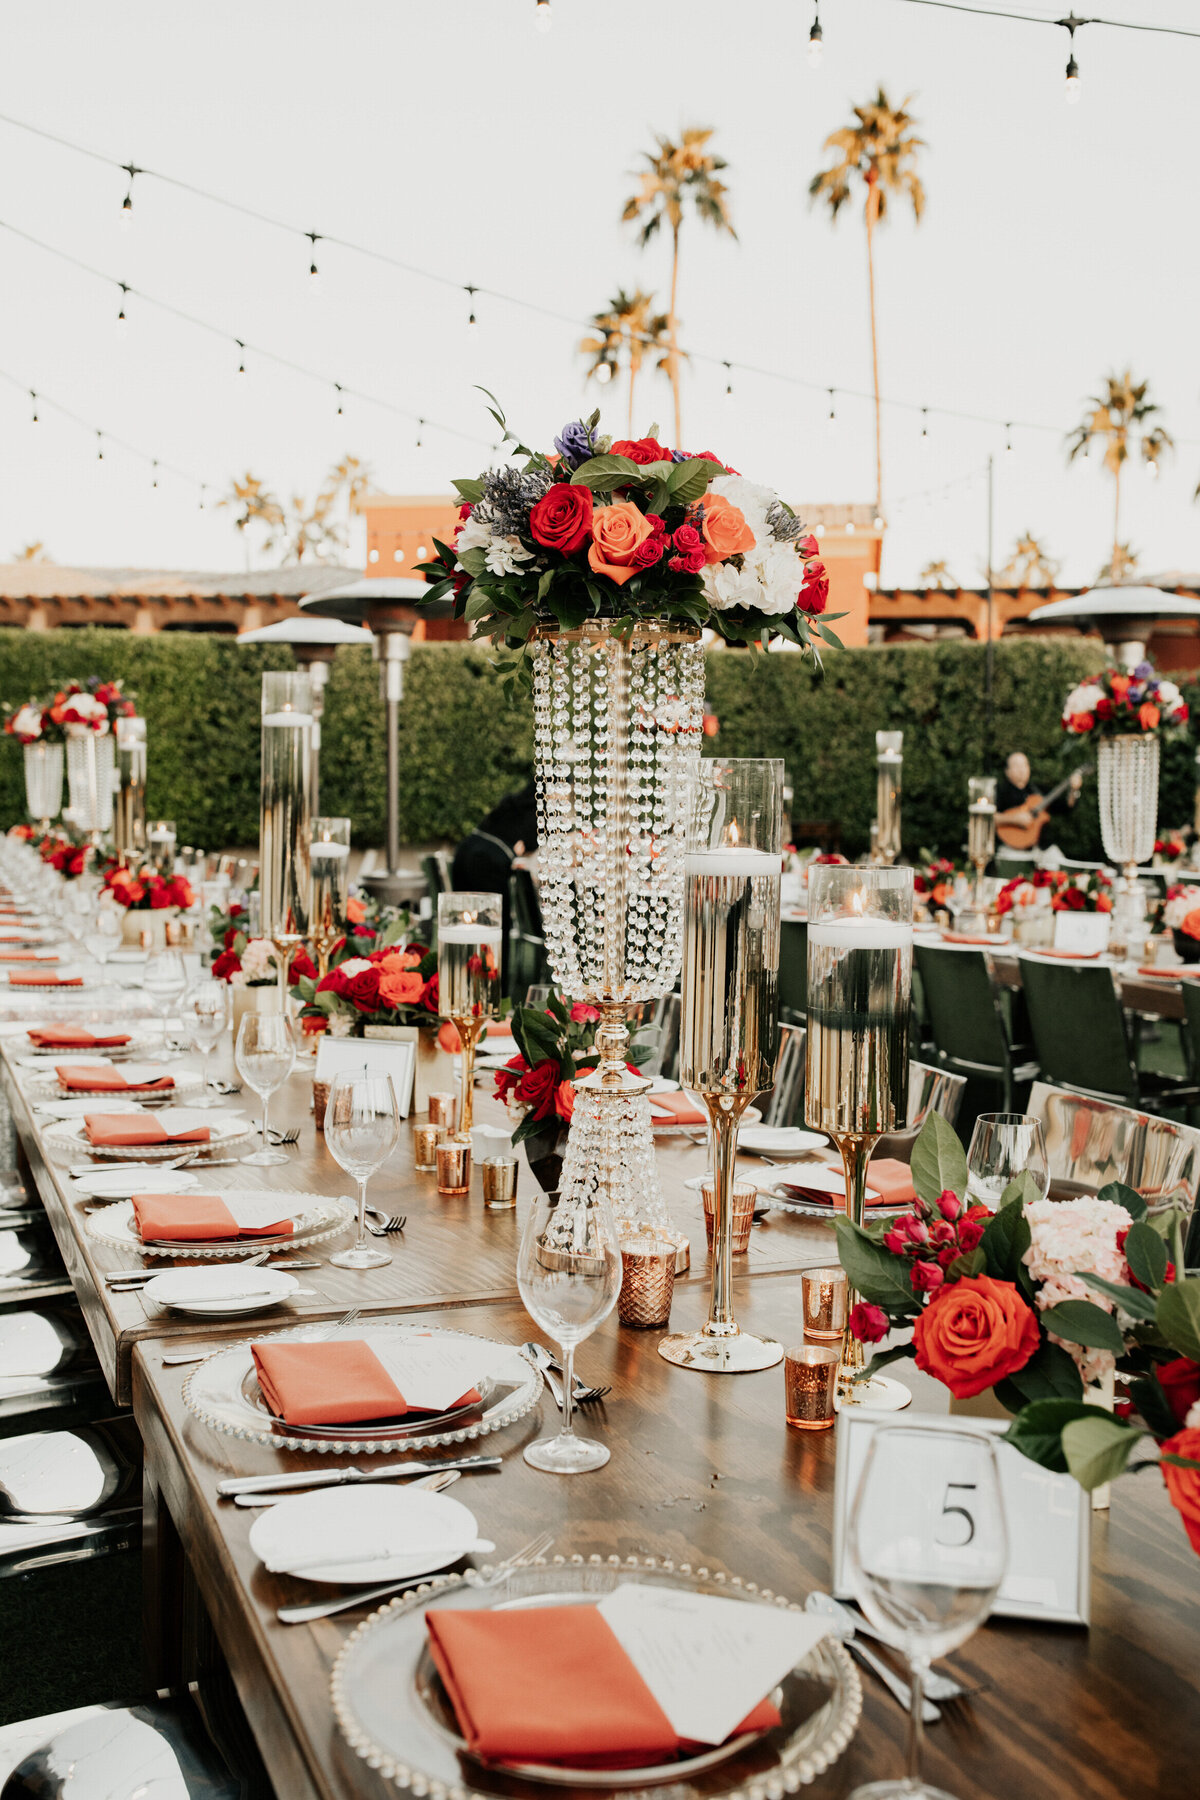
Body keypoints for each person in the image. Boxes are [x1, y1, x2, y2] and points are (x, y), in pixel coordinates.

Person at [451, 779, 540, 973]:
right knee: (493, 930)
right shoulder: (538, 811)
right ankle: (492, 982)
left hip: (466, 852)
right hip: (487, 863)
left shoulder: (514, 803)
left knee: (465, 928)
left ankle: (465, 975)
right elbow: (530, 846)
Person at [995, 751, 1082, 848]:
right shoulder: (1000, 791)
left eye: (1024, 765)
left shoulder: (1039, 790)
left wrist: (1074, 790)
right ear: (1007, 771)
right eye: (1016, 766)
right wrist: (1015, 819)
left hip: (1042, 848)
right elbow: (989, 817)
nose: (1021, 770)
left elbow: (1067, 806)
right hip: (1009, 847)